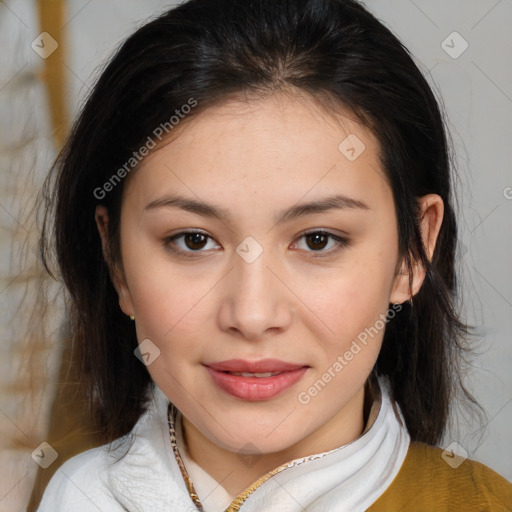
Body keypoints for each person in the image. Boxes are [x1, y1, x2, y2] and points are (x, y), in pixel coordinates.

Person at [35, 0, 512, 510]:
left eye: (318, 240)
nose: (253, 314)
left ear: (412, 254)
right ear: (116, 261)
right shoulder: (73, 496)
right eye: (193, 240)